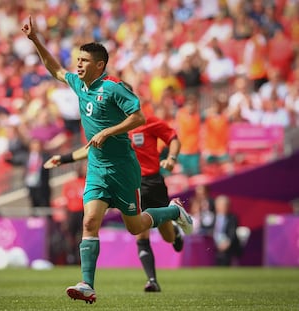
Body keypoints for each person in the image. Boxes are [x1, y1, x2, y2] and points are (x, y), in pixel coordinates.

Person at [22, 16, 193, 304]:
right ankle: (87, 284)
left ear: (99, 65)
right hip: (98, 169)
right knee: (90, 221)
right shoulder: (79, 84)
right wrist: (35, 40)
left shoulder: (114, 87)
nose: (78, 65)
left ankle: (173, 212)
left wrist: (108, 131)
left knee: (136, 226)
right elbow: (55, 69)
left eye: (85, 60)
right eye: (78, 59)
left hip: (124, 169)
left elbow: (138, 117)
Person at [44, 81, 184, 292]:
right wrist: (64, 159)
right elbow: (91, 148)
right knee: (138, 231)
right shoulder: (108, 124)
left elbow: (173, 138)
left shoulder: (146, 120)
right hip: (124, 180)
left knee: (166, 236)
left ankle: (173, 221)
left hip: (151, 181)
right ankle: (152, 281)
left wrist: (171, 158)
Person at [213, 195, 242, 266]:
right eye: (221, 205)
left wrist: (227, 243)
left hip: (227, 245)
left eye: (225, 205)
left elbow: (232, 233)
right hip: (212, 243)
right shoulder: (212, 218)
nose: (223, 207)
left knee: (224, 254)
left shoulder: (233, 218)